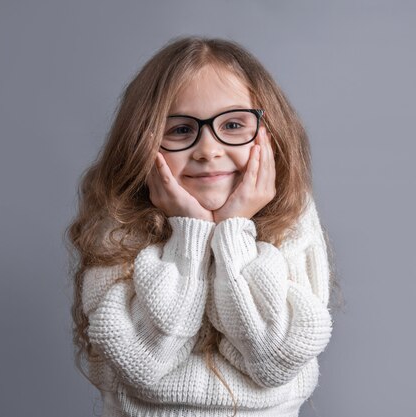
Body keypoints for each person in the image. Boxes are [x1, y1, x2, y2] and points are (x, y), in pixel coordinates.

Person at [66, 36, 340, 417]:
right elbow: (142, 364)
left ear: (270, 133)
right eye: (180, 130)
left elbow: (275, 360)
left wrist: (234, 231)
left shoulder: (291, 220)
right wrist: (190, 234)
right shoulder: (118, 224)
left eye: (232, 125)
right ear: (142, 143)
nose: (208, 150)